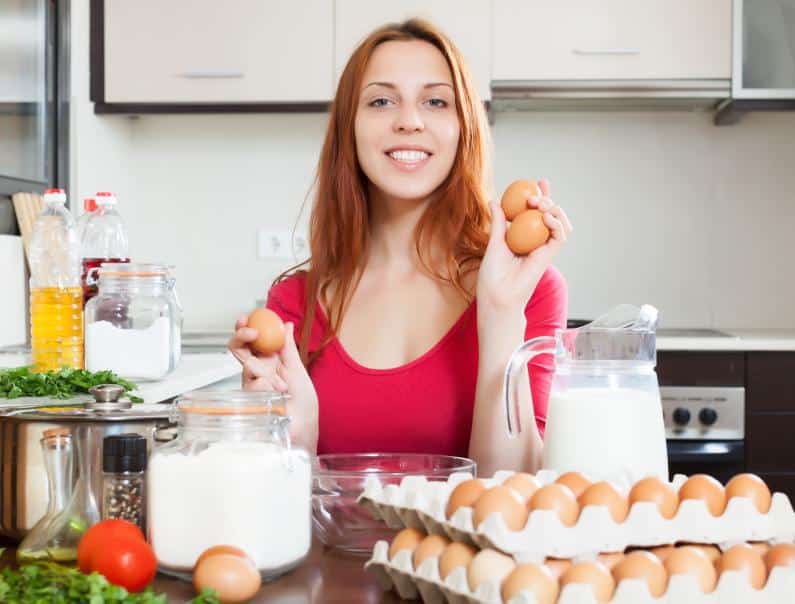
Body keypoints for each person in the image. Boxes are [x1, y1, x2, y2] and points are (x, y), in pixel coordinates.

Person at [228, 19, 572, 476]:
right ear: (349, 128)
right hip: (332, 550)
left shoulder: (528, 288)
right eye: (381, 100)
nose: (409, 120)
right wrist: (290, 437)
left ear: (463, 127)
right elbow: (279, 504)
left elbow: (509, 493)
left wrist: (502, 310)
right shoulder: (294, 303)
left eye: (435, 101)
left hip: (464, 550)